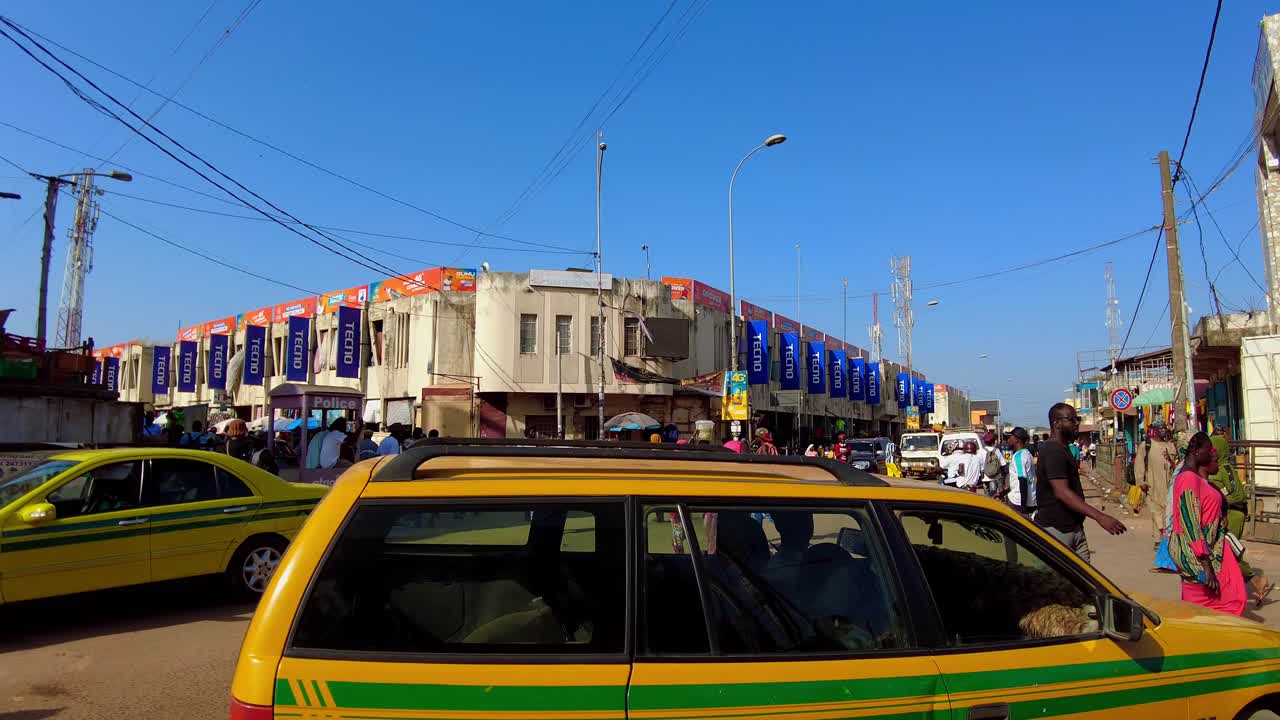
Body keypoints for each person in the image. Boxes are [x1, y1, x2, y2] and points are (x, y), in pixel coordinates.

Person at [1169, 432, 1247, 616]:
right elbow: (1190, 523)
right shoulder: (1187, 479)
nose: (1212, 453)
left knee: (1221, 603)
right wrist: (1205, 564)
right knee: (1200, 609)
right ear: (1196, 451)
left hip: (1207, 549)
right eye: (1208, 449)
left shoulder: (1196, 478)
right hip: (1196, 555)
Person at [1036, 403, 1127, 561]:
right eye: (1072, 420)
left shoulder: (1063, 449)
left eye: (1077, 419)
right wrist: (1099, 516)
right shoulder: (1053, 451)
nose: (1077, 423)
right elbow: (1062, 492)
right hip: (1058, 530)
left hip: (1074, 528)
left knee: (1084, 582)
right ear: (1057, 423)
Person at [1207, 428, 1274, 606]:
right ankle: (1250, 583)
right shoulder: (1215, 468)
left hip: (1234, 514)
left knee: (1228, 552)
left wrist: (1219, 501)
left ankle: (1253, 581)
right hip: (1224, 514)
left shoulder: (1226, 469)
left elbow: (1238, 496)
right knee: (1227, 553)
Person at [1137, 424, 1177, 551]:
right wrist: (1140, 481)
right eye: (1161, 429)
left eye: (1165, 428)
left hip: (1169, 484)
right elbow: (1139, 463)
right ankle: (1158, 539)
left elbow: (1176, 464)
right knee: (1156, 511)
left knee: (1169, 511)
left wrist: (1170, 460)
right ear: (1155, 430)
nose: (1163, 431)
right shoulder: (1146, 446)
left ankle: (1169, 538)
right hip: (1152, 484)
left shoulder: (1170, 446)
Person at [1004, 427, 1037, 516]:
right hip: (1030, 499)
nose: (1008, 440)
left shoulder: (1018, 457)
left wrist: (1023, 507)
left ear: (1016, 440)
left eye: (1010, 437)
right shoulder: (1027, 453)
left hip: (1018, 502)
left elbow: (1022, 480)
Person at [980, 431, 1007, 498]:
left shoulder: (981, 451)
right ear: (993, 441)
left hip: (984, 477)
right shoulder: (996, 450)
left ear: (985, 442)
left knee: (986, 495)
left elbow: (978, 464)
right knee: (993, 495)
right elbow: (1003, 464)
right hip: (995, 476)